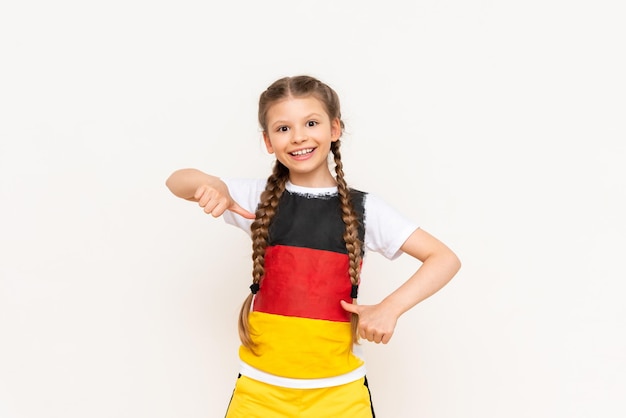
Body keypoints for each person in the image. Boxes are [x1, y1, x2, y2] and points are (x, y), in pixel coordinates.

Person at [165, 75, 461, 418]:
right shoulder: (256, 200)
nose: (299, 136)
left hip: (340, 398)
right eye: (283, 128)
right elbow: (177, 181)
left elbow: (444, 258)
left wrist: (391, 307)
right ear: (267, 140)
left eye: (311, 123)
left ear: (335, 129)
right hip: (259, 395)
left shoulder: (364, 209)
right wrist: (212, 184)